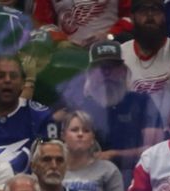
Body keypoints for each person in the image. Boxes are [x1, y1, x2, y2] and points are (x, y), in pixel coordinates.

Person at [57, 39, 164, 171]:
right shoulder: (78, 107)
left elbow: (156, 147)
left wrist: (115, 155)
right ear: (90, 73)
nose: (106, 73)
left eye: (112, 66)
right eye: (101, 67)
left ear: (124, 71)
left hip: (134, 173)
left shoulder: (141, 102)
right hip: (87, 174)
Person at [120, 0, 170, 117]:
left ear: (164, 16)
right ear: (132, 17)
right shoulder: (120, 55)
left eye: (155, 10)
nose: (150, 16)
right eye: (143, 11)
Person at [61, 110, 124, 191]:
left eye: (86, 130)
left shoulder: (108, 169)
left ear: (92, 138)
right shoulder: (52, 168)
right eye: (74, 130)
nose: (80, 134)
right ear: (63, 135)